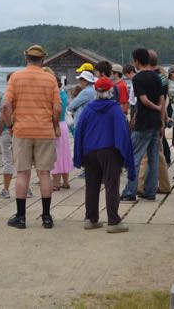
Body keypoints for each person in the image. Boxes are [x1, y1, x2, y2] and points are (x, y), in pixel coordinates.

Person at [2, 45, 61, 229]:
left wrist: (10, 125)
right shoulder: (50, 79)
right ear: (43, 60)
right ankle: (46, 217)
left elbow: (5, 105)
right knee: (44, 173)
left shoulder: (15, 77)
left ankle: (21, 217)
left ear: (26, 59)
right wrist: (54, 125)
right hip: (44, 131)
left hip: (22, 131)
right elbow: (57, 108)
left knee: (22, 173)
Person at [74, 77, 134, 233]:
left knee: (92, 186)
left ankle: (91, 219)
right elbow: (123, 132)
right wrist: (124, 154)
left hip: (89, 152)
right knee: (111, 185)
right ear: (111, 91)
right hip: (109, 151)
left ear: (96, 91)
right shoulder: (114, 109)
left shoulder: (88, 109)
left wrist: (79, 154)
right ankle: (113, 221)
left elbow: (79, 131)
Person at [120, 48, 164, 202]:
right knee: (153, 158)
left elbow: (143, 100)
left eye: (134, 61)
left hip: (144, 122)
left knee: (134, 157)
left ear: (137, 61)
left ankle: (130, 192)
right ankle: (150, 191)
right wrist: (161, 115)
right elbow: (162, 99)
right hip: (156, 122)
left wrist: (156, 108)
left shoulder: (138, 79)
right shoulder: (157, 77)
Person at [0, 73, 34, 199]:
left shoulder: (6, 96)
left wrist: (0, 129)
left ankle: (6, 190)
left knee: (8, 161)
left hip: (9, 131)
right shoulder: (25, 96)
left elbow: (3, 113)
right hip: (23, 131)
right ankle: (27, 189)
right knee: (24, 161)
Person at [67, 70, 96, 178]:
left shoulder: (86, 92)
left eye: (81, 80)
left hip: (82, 124)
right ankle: (89, 169)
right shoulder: (93, 91)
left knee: (83, 147)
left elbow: (71, 106)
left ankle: (87, 170)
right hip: (90, 123)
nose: (80, 82)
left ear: (85, 81)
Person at [49, 70, 73, 190]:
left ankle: (55, 183)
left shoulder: (54, 95)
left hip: (56, 125)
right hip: (63, 124)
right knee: (64, 153)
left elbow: (54, 112)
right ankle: (66, 181)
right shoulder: (63, 93)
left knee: (55, 154)